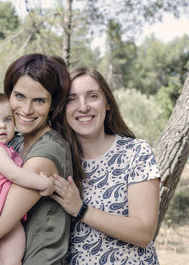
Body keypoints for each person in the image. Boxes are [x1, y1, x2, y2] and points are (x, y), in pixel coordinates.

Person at [0, 54, 83, 264]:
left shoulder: (47, 152)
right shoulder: (12, 144)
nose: (26, 110)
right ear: (8, 95)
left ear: (52, 105)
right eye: (19, 96)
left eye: (39, 100)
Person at [51, 66, 161, 264]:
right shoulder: (58, 161)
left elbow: (144, 232)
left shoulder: (135, 152)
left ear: (107, 103)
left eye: (92, 96)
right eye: (71, 99)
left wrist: (81, 209)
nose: (83, 107)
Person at [0, 92, 54, 265]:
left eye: (7, 119)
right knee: (13, 255)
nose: (2, 126)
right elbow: (15, 174)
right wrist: (45, 183)